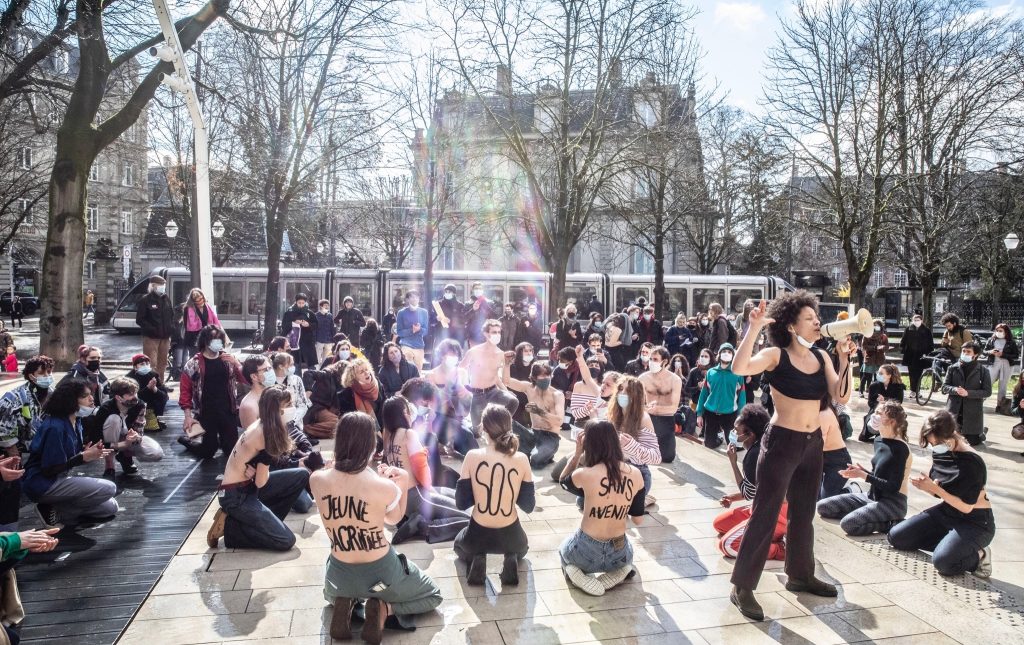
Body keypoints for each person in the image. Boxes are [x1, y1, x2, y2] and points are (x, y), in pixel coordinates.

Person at [728, 294, 854, 621]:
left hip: (813, 443)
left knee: (803, 512)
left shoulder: (822, 356)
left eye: (816, 317)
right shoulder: (775, 355)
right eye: (810, 317)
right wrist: (753, 328)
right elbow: (739, 367)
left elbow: (841, 397)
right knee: (765, 514)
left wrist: (844, 360)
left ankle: (800, 574)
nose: (817, 322)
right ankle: (742, 586)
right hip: (781, 441)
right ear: (790, 325)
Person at [311, 411, 442, 643]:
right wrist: (401, 481)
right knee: (432, 595)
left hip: (340, 572)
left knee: (329, 594)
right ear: (371, 445)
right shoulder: (382, 486)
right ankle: (383, 610)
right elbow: (393, 519)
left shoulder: (317, 480)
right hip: (381, 571)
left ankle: (348, 601)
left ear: (339, 441)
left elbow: (337, 478)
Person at [888, 410, 994, 578]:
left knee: (944, 563)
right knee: (897, 537)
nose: (934, 447)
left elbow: (966, 507)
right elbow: (941, 490)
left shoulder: (973, 462)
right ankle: (952, 545)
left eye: (936, 443)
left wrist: (936, 489)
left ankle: (979, 555)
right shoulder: (941, 452)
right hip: (947, 512)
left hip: (975, 522)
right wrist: (927, 487)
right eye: (931, 443)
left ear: (950, 435)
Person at [206, 386, 311, 552]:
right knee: (286, 541)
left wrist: (256, 472)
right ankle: (230, 529)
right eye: (288, 404)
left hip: (246, 486)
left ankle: (263, 524)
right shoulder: (266, 435)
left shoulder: (263, 423)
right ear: (278, 410)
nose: (292, 407)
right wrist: (257, 475)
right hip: (236, 496)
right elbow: (262, 482)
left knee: (301, 475)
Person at [558, 420, 646, 596]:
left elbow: (563, 481)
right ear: (615, 441)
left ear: (587, 444)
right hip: (619, 554)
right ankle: (621, 571)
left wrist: (577, 455)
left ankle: (576, 572)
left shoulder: (585, 474)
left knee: (563, 549)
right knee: (629, 558)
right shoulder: (636, 474)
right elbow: (638, 519)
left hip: (584, 551)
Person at [454, 404, 535, 585]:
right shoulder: (521, 459)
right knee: (522, 550)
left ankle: (479, 557)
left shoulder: (472, 456)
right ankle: (509, 557)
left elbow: (461, 504)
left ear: (483, 428)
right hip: (512, 537)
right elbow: (528, 506)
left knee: (459, 546)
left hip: (477, 534)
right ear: (509, 427)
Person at [23, 378, 118, 529]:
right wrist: (82, 458)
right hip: (42, 483)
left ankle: (58, 510)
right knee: (109, 488)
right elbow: (48, 469)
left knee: (110, 507)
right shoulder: (55, 427)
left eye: (90, 395)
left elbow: (71, 456)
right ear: (71, 401)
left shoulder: (76, 421)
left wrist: (86, 453)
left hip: (59, 479)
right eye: (85, 396)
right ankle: (50, 509)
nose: (91, 399)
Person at [381, 396, 469, 544]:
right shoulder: (408, 434)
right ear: (404, 413)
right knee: (470, 520)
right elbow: (420, 469)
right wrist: (430, 490)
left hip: (403, 498)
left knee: (458, 499)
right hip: (418, 496)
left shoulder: (388, 437)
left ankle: (419, 519)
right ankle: (425, 526)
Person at [817, 400, 911, 536]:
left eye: (879, 413)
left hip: (893, 503)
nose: (874, 415)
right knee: (823, 507)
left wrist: (864, 476)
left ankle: (891, 523)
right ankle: (867, 513)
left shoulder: (900, 448)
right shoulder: (879, 441)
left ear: (892, 421)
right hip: (870, 497)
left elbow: (893, 486)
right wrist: (862, 472)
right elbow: (880, 475)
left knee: (848, 524)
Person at [714, 404, 786, 561]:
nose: (733, 433)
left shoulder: (754, 455)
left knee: (728, 546)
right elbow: (755, 488)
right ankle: (769, 535)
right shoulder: (760, 445)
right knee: (720, 524)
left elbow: (749, 492)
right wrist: (733, 497)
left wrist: (733, 462)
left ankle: (780, 549)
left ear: (750, 434)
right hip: (764, 504)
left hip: (777, 512)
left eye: (736, 431)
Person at [178, 325, 245, 458]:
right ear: (205, 341)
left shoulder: (228, 360)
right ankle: (187, 442)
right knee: (208, 451)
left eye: (220, 339)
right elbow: (185, 391)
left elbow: (245, 379)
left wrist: (237, 364)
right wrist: (188, 416)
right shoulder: (194, 363)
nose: (218, 342)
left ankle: (221, 440)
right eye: (214, 339)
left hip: (227, 410)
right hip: (206, 412)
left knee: (231, 450)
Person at [501, 353, 564, 468]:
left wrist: (538, 411)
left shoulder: (557, 394)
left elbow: (559, 421)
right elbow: (506, 381)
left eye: (548, 375)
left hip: (550, 437)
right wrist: (506, 364)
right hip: (533, 433)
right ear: (534, 377)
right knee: (505, 420)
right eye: (542, 376)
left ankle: (540, 453)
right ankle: (528, 450)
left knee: (535, 460)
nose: (546, 378)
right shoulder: (528, 388)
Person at [607, 375, 660, 504]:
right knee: (582, 501)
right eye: (620, 389)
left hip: (636, 472)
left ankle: (640, 501)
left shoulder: (643, 418)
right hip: (613, 469)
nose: (622, 393)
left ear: (636, 396)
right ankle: (636, 502)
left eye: (628, 391)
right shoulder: (611, 414)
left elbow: (656, 457)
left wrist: (632, 445)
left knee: (616, 505)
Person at [97, 377, 164, 477]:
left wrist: (136, 437)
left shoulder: (140, 405)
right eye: (130, 394)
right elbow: (97, 436)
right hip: (109, 440)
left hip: (127, 437)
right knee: (114, 419)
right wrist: (119, 444)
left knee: (156, 453)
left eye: (135, 393)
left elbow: (140, 427)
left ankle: (125, 457)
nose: (135, 397)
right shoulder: (106, 409)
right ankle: (110, 465)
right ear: (118, 397)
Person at [461, 319, 519, 429]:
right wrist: (463, 391)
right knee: (476, 430)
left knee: (513, 401)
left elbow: (496, 376)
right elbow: (459, 371)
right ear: (486, 334)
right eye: (494, 332)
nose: (497, 335)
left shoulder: (501, 353)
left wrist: (506, 391)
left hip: (493, 391)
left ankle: (500, 426)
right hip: (476, 394)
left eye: (499, 332)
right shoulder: (474, 351)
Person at [423, 340, 475, 457]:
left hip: (458, 416)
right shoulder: (431, 375)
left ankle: (474, 459)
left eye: (456, 355)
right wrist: (449, 385)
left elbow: (468, 401)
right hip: (439, 418)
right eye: (450, 354)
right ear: (441, 356)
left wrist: (463, 391)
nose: (454, 357)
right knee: (465, 435)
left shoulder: (462, 373)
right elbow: (433, 403)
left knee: (467, 436)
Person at [696, 343, 746, 451]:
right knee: (709, 444)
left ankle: (725, 436)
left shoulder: (737, 374)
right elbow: (703, 394)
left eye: (729, 352)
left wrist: (741, 416)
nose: (726, 354)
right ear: (719, 354)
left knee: (732, 447)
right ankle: (718, 438)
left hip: (729, 413)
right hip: (711, 412)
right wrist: (699, 414)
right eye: (724, 351)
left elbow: (742, 397)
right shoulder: (711, 372)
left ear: (733, 355)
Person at [942, 341, 991, 446]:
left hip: (972, 412)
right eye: (963, 351)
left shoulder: (983, 371)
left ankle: (980, 433)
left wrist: (968, 393)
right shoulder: (952, 368)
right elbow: (944, 387)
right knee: (950, 441)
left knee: (972, 443)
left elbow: (987, 392)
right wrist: (955, 390)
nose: (965, 354)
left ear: (975, 354)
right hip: (954, 409)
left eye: (968, 352)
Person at [639, 346, 682, 462]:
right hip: (648, 418)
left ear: (665, 361)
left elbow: (673, 408)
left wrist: (655, 409)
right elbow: (638, 403)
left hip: (666, 419)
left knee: (667, 458)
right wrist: (644, 409)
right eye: (650, 359)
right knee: (643, 456)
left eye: (655, 359)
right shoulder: (643, 378)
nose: (652, 362)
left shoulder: (675, 380)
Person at [135, 275, 175, 384]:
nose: (163, 287)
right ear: (153, 286)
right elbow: (140, 319)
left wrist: (171, 329)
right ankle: (151, 385)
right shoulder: (145, 300)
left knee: (163, 363)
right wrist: (152, 329)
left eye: (164, 285)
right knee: (151, 363)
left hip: (165, 337)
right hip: (151, 337)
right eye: (160, 285)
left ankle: (160, 384)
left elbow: (171, 316)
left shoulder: (166, 299)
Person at [304, 362, 348, 439]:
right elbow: (308, 373)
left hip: (329, 410)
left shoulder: (342, 384)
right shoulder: (326, 374)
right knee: (337, 424)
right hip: (316, 408)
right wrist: (308, 389)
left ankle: (319, 431)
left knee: (344, 425)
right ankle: (306, 429)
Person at [126, 354, 169, 432]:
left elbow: (164, 395)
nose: (145, 366)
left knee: (162, 397)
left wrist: (155, 389)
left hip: (151, 406)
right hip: (135, 408)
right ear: (135, 367)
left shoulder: (154, 375)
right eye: (142, 364)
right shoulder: (129, 378)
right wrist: (148, 388)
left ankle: (154, 417)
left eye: (147, 364)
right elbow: (132, 397)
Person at [272, 351, 312, 432]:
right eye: (291, 365)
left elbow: (303, 405)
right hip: (274, 426)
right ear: (280, 366)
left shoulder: (297, 380)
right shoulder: (270, 381)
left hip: (295, 424)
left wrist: (292, 421)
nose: (293, 367)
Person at [818, 398, 850, 499]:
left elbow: (817, 446)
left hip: (837, 461)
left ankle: (852, 492)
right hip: (821, 459)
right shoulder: (814, 411)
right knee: (812, 497)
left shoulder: (824, 413)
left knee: (825, 501)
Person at [984, 323, 1019, 414]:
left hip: (1007, 364)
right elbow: (984, 351)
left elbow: (1016, 355)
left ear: (1006, 332)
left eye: (1000, 331)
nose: (998, 332)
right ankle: (979, 402)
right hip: (993, 364)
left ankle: (1000, 405)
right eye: (997, 330)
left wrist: (1003, 355)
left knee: (1003, 385)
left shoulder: (1011, 342)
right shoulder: (991, 340)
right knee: (988, 382)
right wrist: (991, 352)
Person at [281, 293, 318, 373]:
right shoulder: (289, 312)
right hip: (294, 343)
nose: (301, 305)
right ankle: (297, 380)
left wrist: (308, 324)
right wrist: (293, 323)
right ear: (296, 302)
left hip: (307, 342)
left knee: (310, 365)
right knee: (295, 364)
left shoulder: (310, 313)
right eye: (299, 303)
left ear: (305, 303)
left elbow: (316, 325)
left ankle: (311, 381)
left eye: (303, 303)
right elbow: (284, 326)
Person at [181, 288, 222, 357]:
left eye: (201, 299)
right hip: (193, 339)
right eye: (197, 301)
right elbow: (187, 325)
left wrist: (218, 331)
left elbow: (215, 320)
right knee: (195, 358)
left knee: (207, 358)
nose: (201, 302)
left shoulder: (207, 306)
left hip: (207, 338)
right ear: (193, 301)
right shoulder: (188, 308)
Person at [239, 354, 276, 429]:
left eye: (270, 368)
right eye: (266, 370)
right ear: (254, 376)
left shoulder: (272, 393)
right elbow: (253, 438)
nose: (271, 372)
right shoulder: (249, 406)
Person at [900, 313, 933, 394]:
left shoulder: (926, 330)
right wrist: (903, 350)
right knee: (911, 374)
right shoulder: (908, 329)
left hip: (921, 356)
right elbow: (903, 341)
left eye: (918, 320)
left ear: (921, 320)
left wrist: (927, 353)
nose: (916, 321)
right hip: (910, 355)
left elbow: (930, 344)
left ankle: (917, 391)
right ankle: (912, 390)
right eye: (915, 320)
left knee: (919, 374)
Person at [396, 290, 429, 371]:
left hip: (419, 346)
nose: (414, 299)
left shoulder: (424, 312)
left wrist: (419, 329)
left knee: (418, 372)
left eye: (416, 297)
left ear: (419, 299)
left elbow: (426, 331)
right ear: (408, 299)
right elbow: (399, 332)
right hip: (406, 345)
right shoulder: (401, 313)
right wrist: (412, 330)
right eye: (412, 297)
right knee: (407, 371)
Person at [859, 319, 888, 397]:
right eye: (874, 325)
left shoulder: (883, 336)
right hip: (870, 358)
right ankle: (861, 391)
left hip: (879, 359)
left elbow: (887, 346)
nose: (876, 327)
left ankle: (877, 392)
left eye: (878, 325)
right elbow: (864, 346)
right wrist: (875, 347)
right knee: (866, 376)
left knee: (879, 377)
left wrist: (883, 347)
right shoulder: (867, 335)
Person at [464, 282, 494, 347]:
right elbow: (464, 319)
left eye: (480, 288)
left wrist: (484, 303)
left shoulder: (489, 302)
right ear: (473, 290)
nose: (478, 290)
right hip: (472, 336)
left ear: (483, 290)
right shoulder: (468, 304)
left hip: (486, 335)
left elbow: (494, 318)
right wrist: (473, 310)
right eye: (476, 288)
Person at [314, 300, 336, 365]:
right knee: (317, 358)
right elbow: (314, 329)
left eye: (328, 305)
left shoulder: (330, 315)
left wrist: (333, 340)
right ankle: (316, 372)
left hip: (328, 340)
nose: (327, 307)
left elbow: (332, 328)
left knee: (326, 359)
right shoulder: (316, 315)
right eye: (325, 305)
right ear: (321, 306)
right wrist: (314, 340)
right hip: (319, 340)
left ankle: (323, 371)